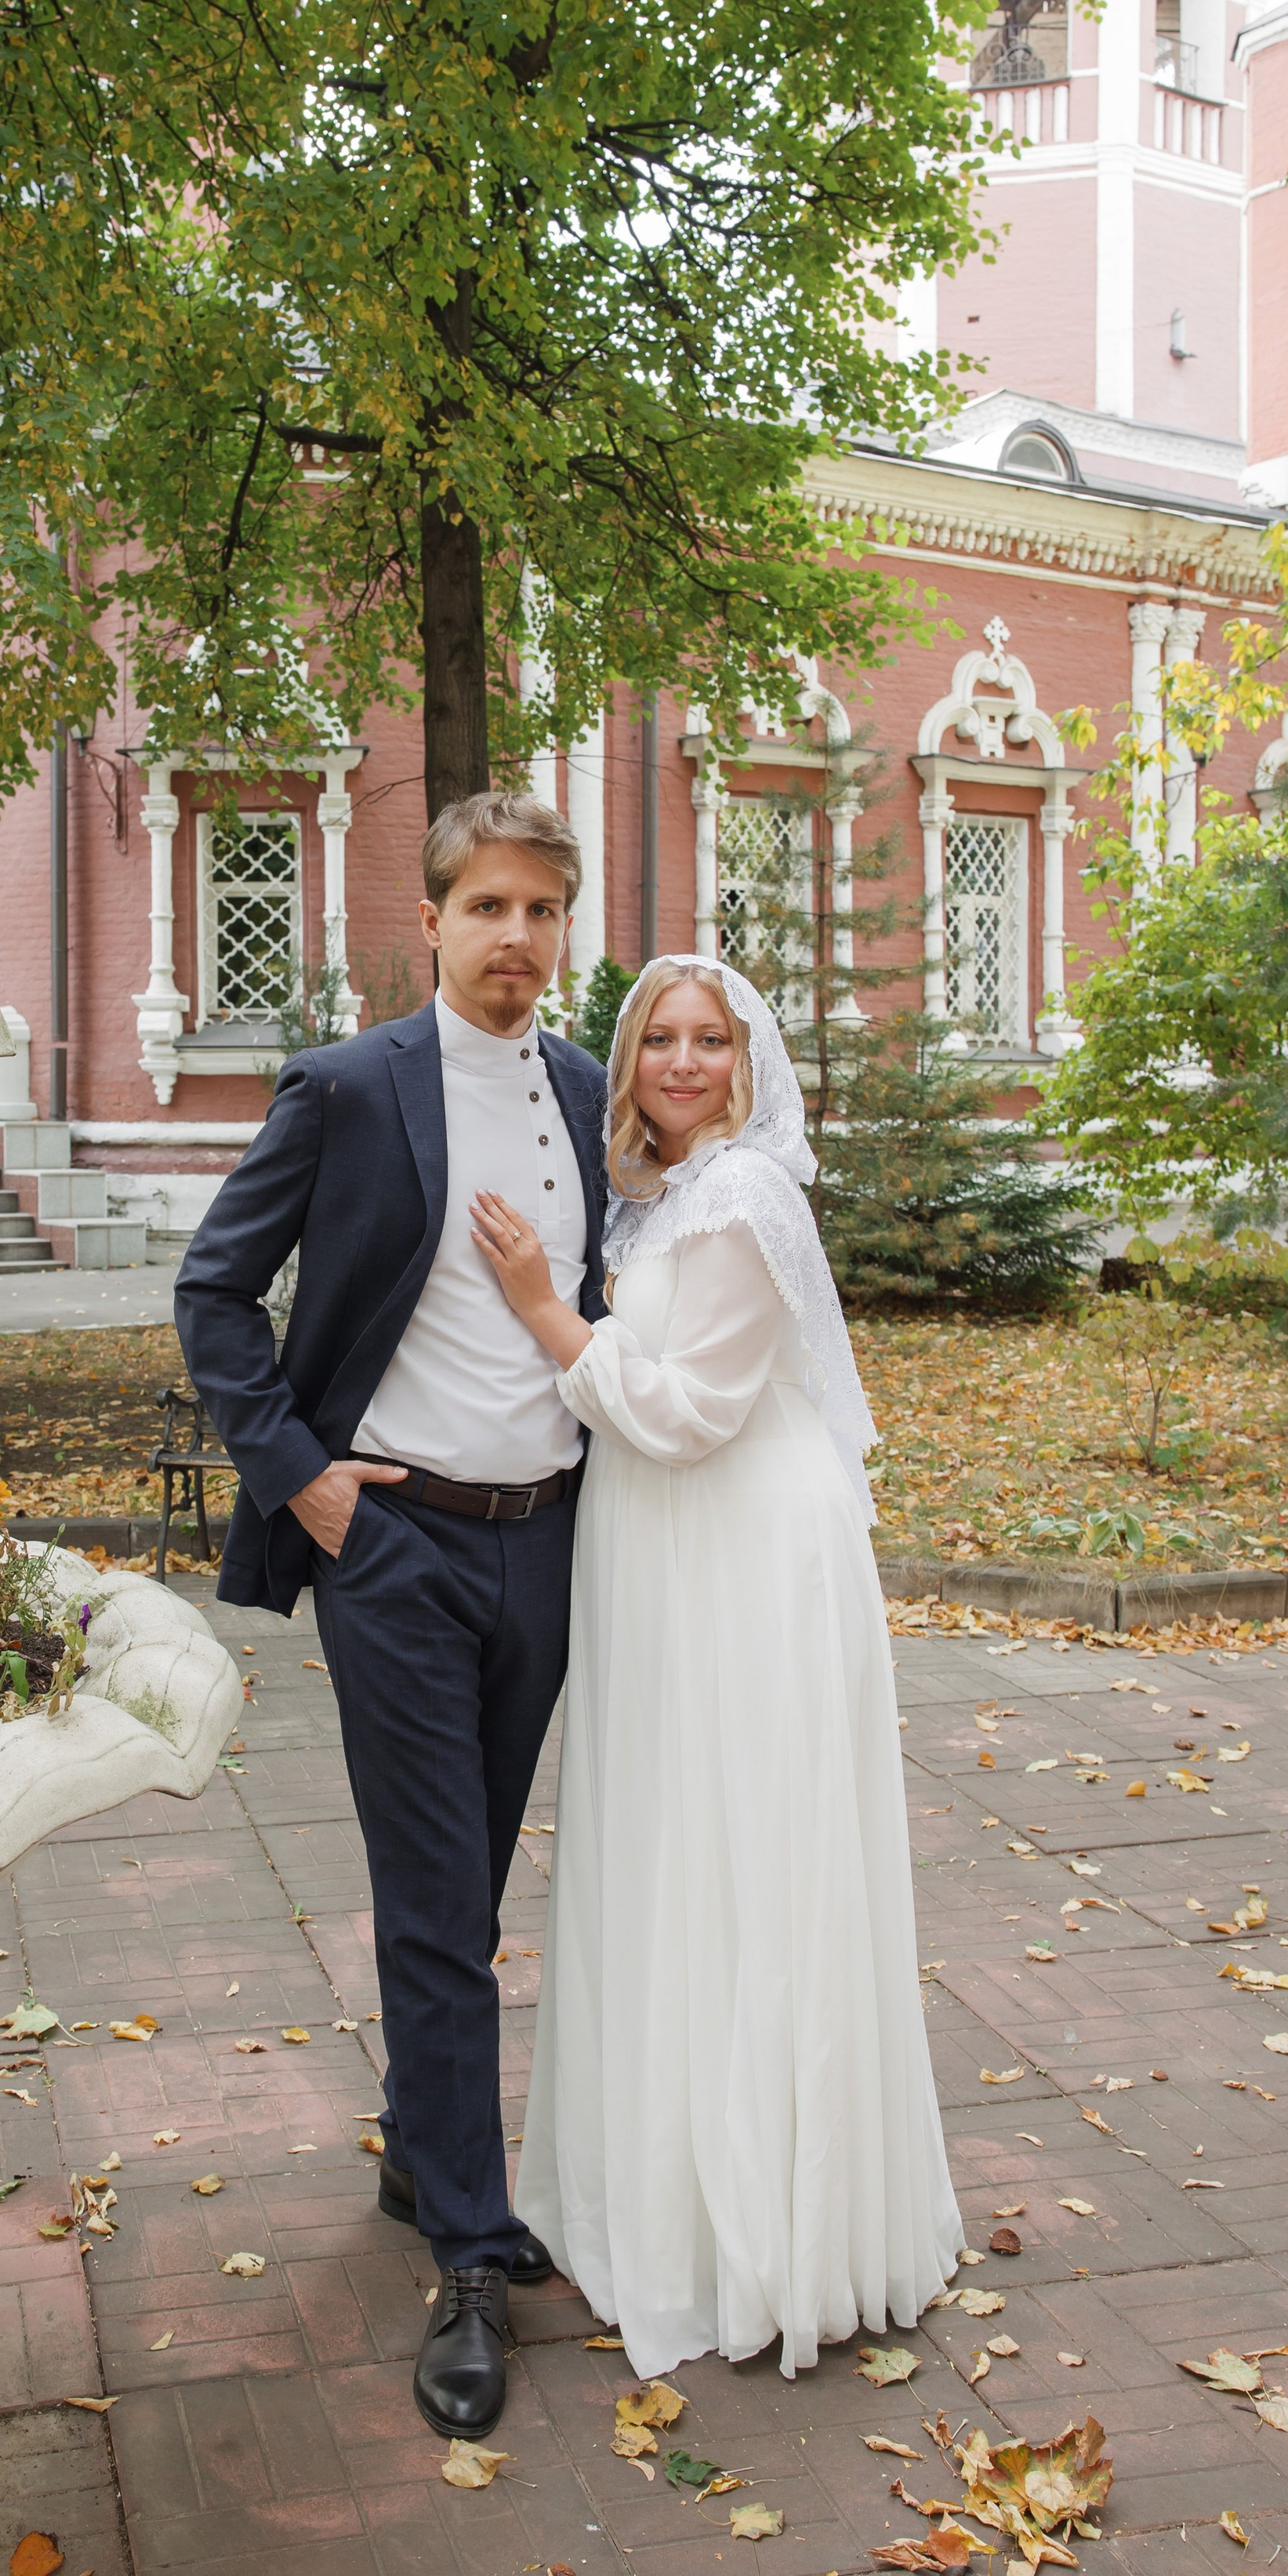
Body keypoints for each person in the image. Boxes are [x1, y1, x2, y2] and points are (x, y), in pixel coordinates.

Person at [175, 792, 609, 2440]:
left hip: (548, 1545)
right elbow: (214, 1290)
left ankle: (413, 2156)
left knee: (473, 1880)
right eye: (486, 908)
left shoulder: (583, 1092)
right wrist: (304, 1482)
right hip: (397, 1549)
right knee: (435, 1908)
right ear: (428, 920)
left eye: (539, 912)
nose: (514, 939)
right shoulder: (350, 1090)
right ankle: (467, 2255)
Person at [471, 956, 962, 2379]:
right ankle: (659, 2196)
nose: (681, 1061)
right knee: (671, 1847)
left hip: (740, 1552)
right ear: (627, 1064)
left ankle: (766, 2232)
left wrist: (542, 1312)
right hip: (660, 1549)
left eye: (710, 1039)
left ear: (750, 1062)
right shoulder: (664, 1193)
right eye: (656, 1039)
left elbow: (688, 1411)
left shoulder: (746, 1198)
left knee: (747, 1855)